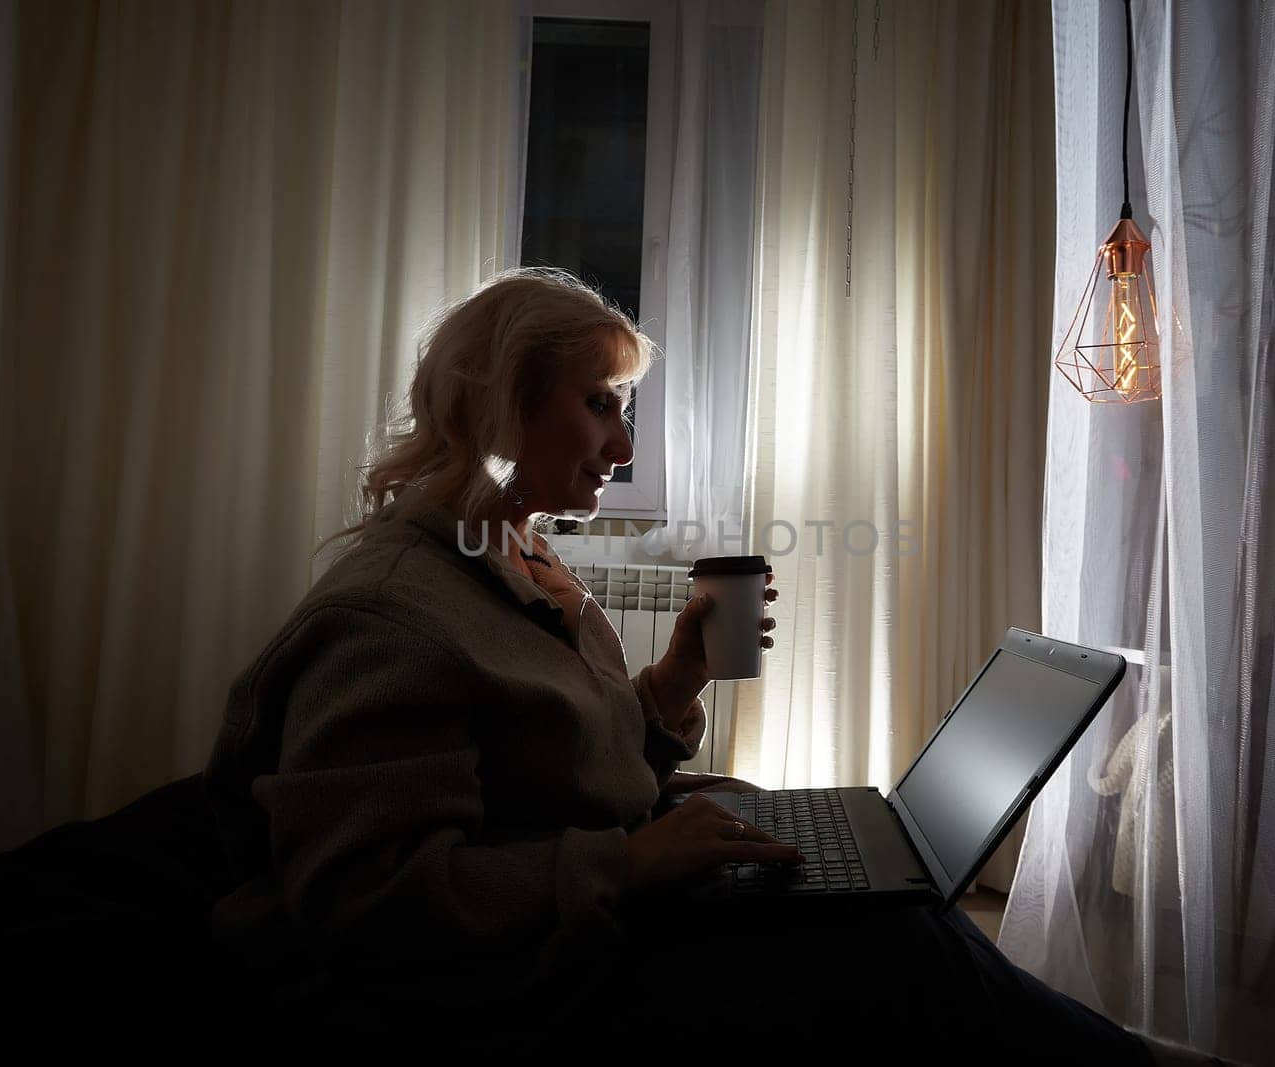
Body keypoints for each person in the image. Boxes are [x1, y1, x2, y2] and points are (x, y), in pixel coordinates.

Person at [203, 268, 1153, 1055]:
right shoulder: (391, 615)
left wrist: (672, 684)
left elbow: (558, 773)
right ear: (501, 405)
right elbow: (368, 902)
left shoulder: (517, 555)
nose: (621, 444)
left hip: (588, 920)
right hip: (517, 990)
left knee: (876, 892)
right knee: (889, 937)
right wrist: (627, 861)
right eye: (598, 406)